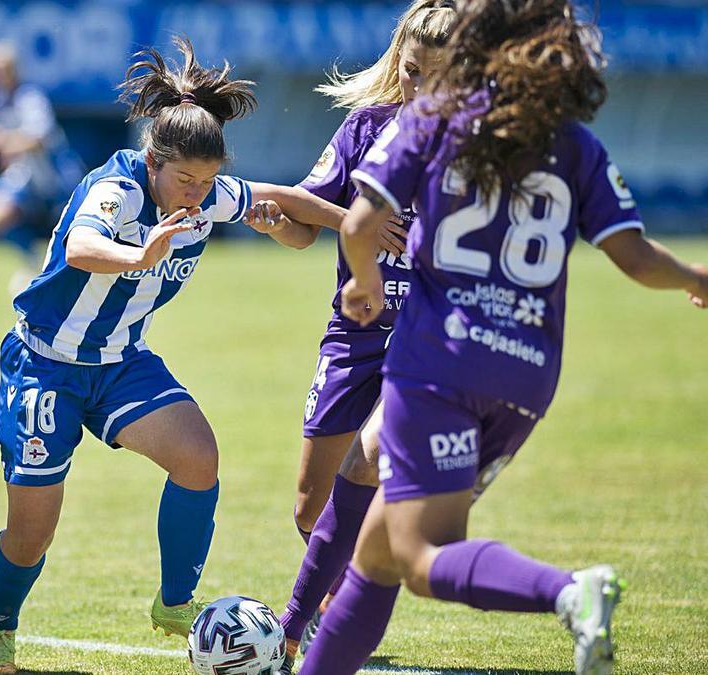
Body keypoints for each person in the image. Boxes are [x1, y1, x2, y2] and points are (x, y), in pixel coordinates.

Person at [298, 1, 708, 674]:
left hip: (436, 364)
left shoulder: (432, 119)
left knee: (421, 557)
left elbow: (358, 222)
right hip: (525, 380)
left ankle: (571, 592)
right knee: (375, 557)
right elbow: (632, 255)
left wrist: (363, 282)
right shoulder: (573, 141)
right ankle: (302, 638)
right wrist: (696, 275)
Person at [0, 37, 349, 675]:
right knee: (31, 533)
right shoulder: (115, 187)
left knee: (198, 458)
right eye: (185, 181)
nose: (196, 196)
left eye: (207, 182)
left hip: (119, 360)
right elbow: (83, 247)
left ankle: (174, 604)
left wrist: (352, 223)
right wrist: (140, 254)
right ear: (154, 160)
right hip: (45, 364)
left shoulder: (205, 194)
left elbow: (291, 208)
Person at [278, 1, 456, 665]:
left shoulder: (473, 143)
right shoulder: (366, 127)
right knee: (308, 507)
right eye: (412, 72)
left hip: (428, 342)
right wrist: (283, 220)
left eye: (436, 76)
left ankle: (336, 619)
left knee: (377, 498)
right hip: (353, 336)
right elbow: (299, 221)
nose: (420, 89)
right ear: (399, 62)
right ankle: (338, 604)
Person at [0, 41, 85, 295]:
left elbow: (39, 138)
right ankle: (32, 258)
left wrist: (2, 140)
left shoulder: (30, 98)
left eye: (2, 70)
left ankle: (64, 275)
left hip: (53, 176)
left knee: (74, 235)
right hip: (22, 176)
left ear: (15, 70)